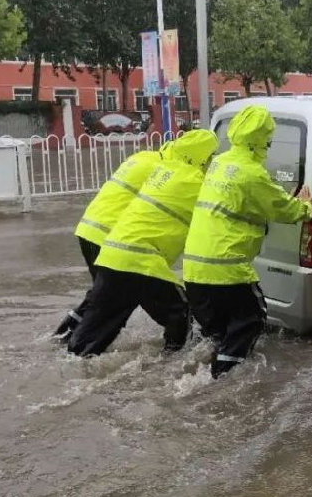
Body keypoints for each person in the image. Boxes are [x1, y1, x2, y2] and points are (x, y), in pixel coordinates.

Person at [183, 106, 312, 378]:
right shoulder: (252, 173)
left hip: (194, 270)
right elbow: (283, 209)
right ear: (262, 139)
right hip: (226, 270)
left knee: (218, 333)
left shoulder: (219, 163)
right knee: (252, 320)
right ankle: (220, 382)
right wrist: (305, 207)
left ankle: (203, 374)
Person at [67, 129, 219, 357]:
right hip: (139, 260)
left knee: (97, 321)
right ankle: (171, 363)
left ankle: (67, 357)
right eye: (211, 157)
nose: (212, 162)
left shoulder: (162, 171)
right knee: (179, 311)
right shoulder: (195, 182)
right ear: (202, 157)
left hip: (112, 253)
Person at [53, 146, 165, 341]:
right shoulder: (167, 170)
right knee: (116, 300)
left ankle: (62, 338)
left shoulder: (142, 157)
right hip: (113, 239)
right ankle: (81, 351)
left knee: (100, 294)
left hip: (89, 230)